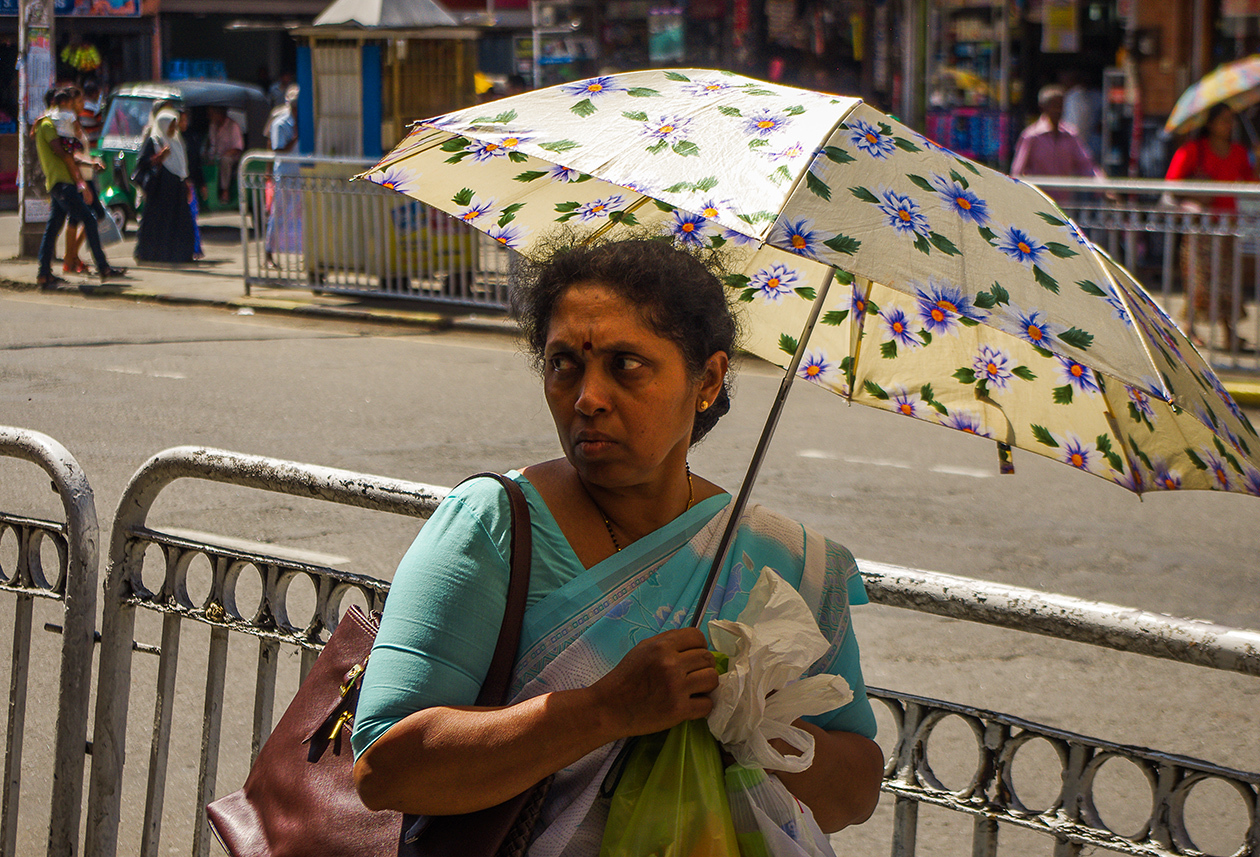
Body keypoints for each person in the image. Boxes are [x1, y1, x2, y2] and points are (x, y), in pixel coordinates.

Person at [351, 239, 884, 849]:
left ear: (707, 379)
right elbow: (385, 771)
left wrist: (753, 727)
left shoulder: (792, 561)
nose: (587, 398)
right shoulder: (494, 525)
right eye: (563, 364)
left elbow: (856, 792)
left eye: (626, 364)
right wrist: (607, 709)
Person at [1164, 102, 1257, 350]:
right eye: (1224, 120)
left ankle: (1229, 332)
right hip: (1200, 228)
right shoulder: (1194, 150)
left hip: (1227, 227)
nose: (1229, 125)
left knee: (1228, 280)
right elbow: (1172, 184)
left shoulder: (1238, 151)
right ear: (1211, 124)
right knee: (1200, 279)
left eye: (1231, 120)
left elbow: (1250, 180)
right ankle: (1189, 329)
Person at [35, 86, 125, 288]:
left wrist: (88, 162)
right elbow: (65, 154)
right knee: (89, 220)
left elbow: (70, 153)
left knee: (53, 229)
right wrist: (81, 183)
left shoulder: (48, 125)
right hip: (62, 182)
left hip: (60, 182)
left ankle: (43, 273)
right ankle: (103, 268)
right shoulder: (49, 126)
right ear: (58, 104)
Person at [1011, 84, 1106, 204]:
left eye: (1061, 105)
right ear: (1043, 107)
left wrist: (1103, 187)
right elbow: (1017, 171)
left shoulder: (1070, 135)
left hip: (1065, 205)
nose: (1058, 110)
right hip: (1038, 203)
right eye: (1054, 105)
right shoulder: (1032, 136)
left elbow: (1086, 165)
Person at [133, 105, 197, 263]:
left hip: (176, 190)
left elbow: (182, 167)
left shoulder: (177, 141)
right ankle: (151, 254)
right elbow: (142, 162)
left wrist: (186, 183)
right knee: (157, 223)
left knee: (180, 222)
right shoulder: (154, 141)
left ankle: (179, 255)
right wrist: (160, 156)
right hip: (160, 190)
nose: (172, 129)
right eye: (170, 125)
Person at [61, 86, 109, 276]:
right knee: (88, 216)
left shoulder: (78, 123)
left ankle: (71, 257)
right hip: (79, 177)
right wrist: (90, 163)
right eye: (80, 101)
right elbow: (73, 153)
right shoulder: (70, 125)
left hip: (86, 175)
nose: (83, 105)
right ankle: (70, 258)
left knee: (83, 217)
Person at [263, 85, 301, 267]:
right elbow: (278, 150)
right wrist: (295, 137)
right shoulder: (280, 123)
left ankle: (304, 255)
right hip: (285, 175)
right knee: (278, 214)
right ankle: (268, 254)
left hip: (301, 174)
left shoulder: (305, 122)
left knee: (303, 216)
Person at [206, 105, 244, 204]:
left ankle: (225, 191)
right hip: (216, 156)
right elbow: (212, 145)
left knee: (225, 160)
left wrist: (223, 155)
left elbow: (238, 147)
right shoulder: (212, 126)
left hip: (232, 157)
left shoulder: (233, 126)